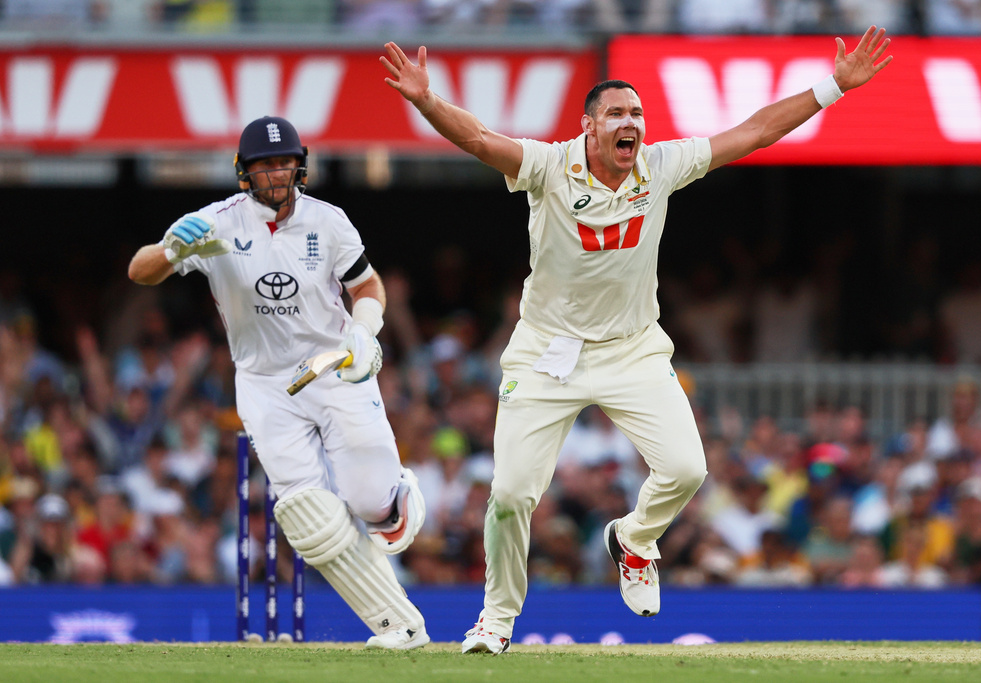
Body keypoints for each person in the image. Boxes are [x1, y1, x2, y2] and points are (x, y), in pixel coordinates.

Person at [381, 25, 892, 654]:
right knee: (512, 495)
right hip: (547, 351)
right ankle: (497, 617)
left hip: (631, 346)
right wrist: (427, 101)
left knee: (687, 469)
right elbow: (481, 139)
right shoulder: (548, 165)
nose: (633, 123)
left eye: (638, 113)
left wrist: (832, 86)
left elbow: (755, 131)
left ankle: (635, 540)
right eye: (618, 113)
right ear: (589, 125)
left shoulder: (660, 164)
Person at [127, 116, 429, 649]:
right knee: (308, 517)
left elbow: (367, 284)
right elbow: (140, 270)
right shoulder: (216, 223)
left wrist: (363, 330)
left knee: (367, 504)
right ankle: (397, 625)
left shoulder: (329, 221)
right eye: (265, 164)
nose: (277, 172)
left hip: (332, 367)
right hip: (265, 384)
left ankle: (393, 498)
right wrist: (173, 250)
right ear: (244, 172)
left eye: (285, 161)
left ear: (301, 165)